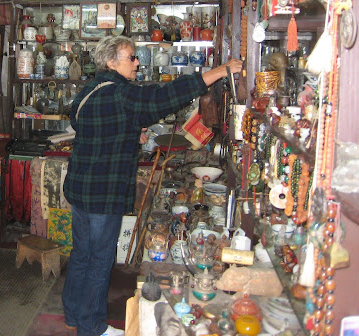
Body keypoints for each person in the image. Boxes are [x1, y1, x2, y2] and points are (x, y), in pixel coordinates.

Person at [61, 35, 243, 336]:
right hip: (103, 193)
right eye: (131, 57)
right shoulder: (122, 93)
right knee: (99, 260)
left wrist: (129, 131)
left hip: (81, 188)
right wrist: (218, 72)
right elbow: (164, 96)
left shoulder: (90, 90)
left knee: (81, 254)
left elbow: (90, 128)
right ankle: (91, 328)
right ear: (111, 62)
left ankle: (72, 314)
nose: (137, 62)